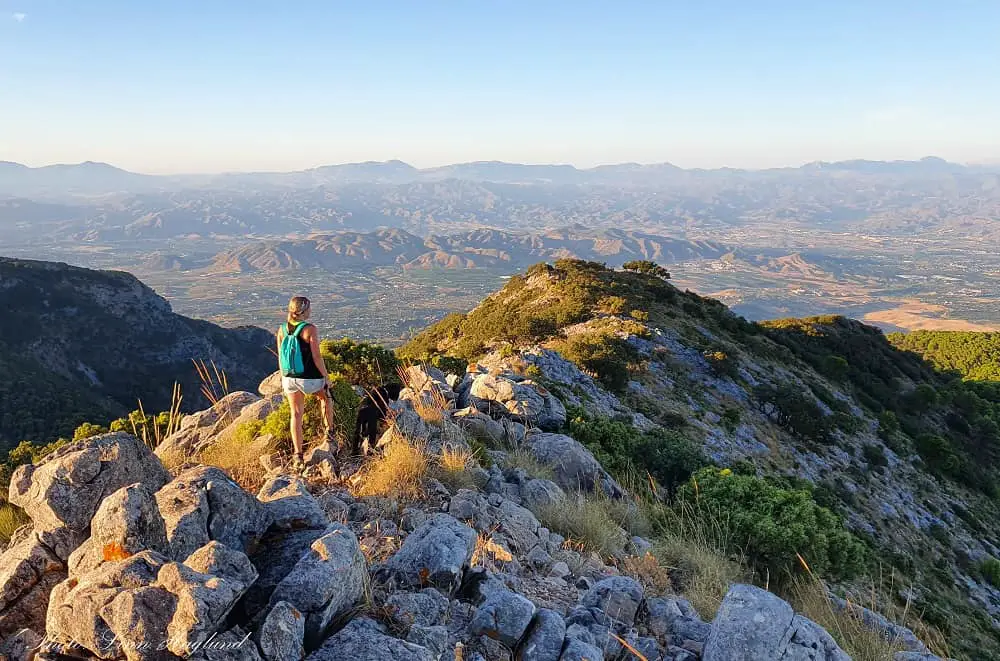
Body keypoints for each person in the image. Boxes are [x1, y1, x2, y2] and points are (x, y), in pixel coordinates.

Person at [277, 296, 336, 471]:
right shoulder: (310, 329)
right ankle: (329, 433)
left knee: (295, 415)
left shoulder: (281, 329)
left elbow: (280, 357)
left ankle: (298, 456)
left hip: (289, 379)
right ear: (304, 311)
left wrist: (284, 378)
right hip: (309, 379)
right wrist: (326, 378)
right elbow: (317, 357)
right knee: (326, 398)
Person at [353, 382, 402, 455]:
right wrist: (390, 419)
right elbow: (382, 415)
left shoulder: (377, 390)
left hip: (361, 409)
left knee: (358, 430)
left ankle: (354, 451)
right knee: (372, 432)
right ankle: (370, 451)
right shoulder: (384, 396)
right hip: (370, 413)